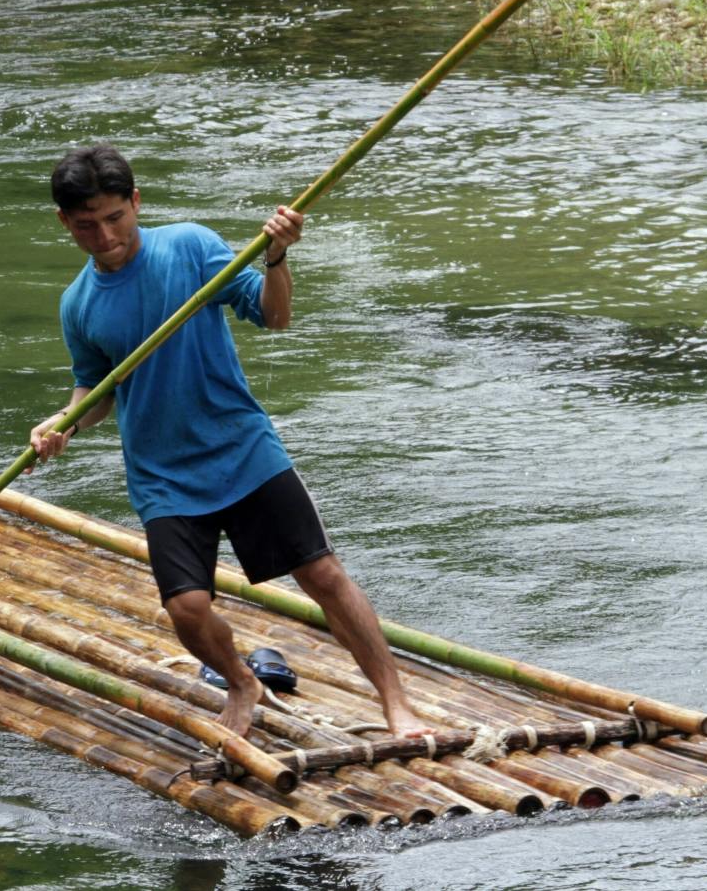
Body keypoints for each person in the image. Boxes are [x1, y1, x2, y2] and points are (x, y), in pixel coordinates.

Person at [27, 145, 432, 741]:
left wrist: (276, 256)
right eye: (87, 225)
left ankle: (396, 701)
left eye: (115, 217)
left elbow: (274, 316)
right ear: (64, 222)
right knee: (186, 609)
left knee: (322, 575)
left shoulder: (190, 246)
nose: (105, 235)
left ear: (136, 203)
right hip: (163, 476)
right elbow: (97, 392)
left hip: (241, 448)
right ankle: (241, 681)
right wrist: (62, 422)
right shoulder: (78, 303)